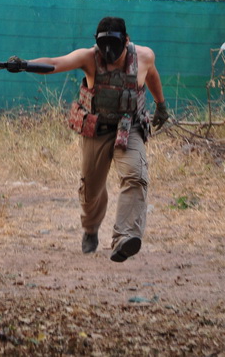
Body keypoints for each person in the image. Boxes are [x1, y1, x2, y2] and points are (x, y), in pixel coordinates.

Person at [15, 17, 169, 262]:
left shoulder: (144, 56)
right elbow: (54, 63)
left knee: (136, 176)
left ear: (126, 41)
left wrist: (161, 105)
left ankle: (125, 236)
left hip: (130, 126)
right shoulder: (89, 57)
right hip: (97, 129)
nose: (108, 54)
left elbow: (152, 76)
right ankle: (90, 227)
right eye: (103, 46)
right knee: (90, 191)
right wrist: (24, 64)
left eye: (114, 47)